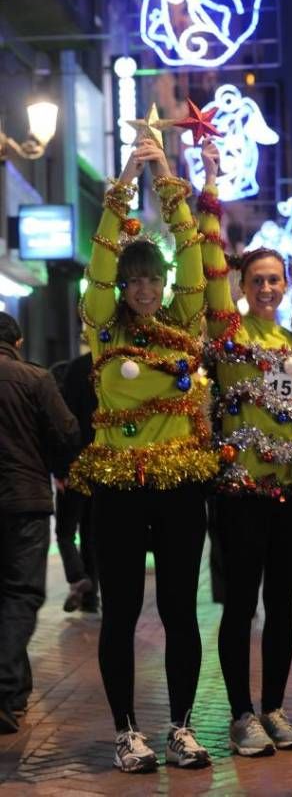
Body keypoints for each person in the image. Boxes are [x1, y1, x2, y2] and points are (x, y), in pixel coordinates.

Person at [70, 136, 219, 772]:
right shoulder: (102, 327)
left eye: (153, 279)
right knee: (122, 611)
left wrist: (166, 179)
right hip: (119, 487)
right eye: (135, 280)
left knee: (181, 609)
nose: (145, 289)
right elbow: (100, 266)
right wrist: (123, 181)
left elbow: (191, 253)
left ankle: (181, 728)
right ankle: (126, 731)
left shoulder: (185, 322)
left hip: (181, 485)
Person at [198, 139, 292, 757]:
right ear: (242, 285)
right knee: (241, 605)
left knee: (281, 605)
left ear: (286, 282)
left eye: (276, 279)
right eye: (258, 280)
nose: (268, 287)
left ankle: (274, 707)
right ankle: (241, 714)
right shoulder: (229, 331)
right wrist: (212, 184)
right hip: (241, 493)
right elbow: (210, 258)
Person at [0, 312, 80, 734]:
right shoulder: (34, 377)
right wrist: (58, 467)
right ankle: (5, 689)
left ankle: (14, 691)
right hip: (24, 502)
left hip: (20, 497)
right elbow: (66, 431)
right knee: (20, 594)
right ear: (18, 342)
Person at [52, 350, 99, 613]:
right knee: (91, 532)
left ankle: (79, 577)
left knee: (65, 531)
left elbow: (65, 422)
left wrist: (61, 469)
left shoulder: (77, 369)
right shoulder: (114, 364)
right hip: (104, 462)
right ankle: (92, 599)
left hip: (76, 462)